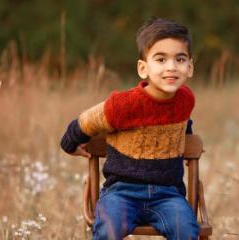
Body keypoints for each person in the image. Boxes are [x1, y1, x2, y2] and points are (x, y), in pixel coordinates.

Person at [60, 18, 200, 240]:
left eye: (180, 59)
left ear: (189, 67)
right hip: (122, 192)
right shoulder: (124, 105)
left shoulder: (185, 100)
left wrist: (186, 142)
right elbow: (88, 120)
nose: (171, 67)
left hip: (168, 195)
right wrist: (70, 143)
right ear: (143, 68)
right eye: (161, 59)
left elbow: (182, 122)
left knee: (186, 230)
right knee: (109, 230)